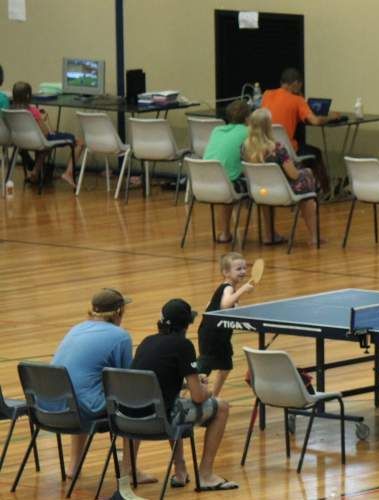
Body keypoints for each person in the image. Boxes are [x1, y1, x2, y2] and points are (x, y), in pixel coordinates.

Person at [130, 299, 238, 491]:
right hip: (160, 420)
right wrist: (208, 390)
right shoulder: (183, 345)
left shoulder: (147, 342)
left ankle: (180, 471)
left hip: (131, 419)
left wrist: (188, 382)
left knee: (174, 402)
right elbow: (198, 397)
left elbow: (159, 381)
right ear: (187, 324)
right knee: (221, 407)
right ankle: (205, 475)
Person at [51, 289, 153, 483]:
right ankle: (128, 470)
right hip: (82, 409)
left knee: (79, 393)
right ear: (118, 311)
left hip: (52, 405)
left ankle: (73, 466)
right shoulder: (120, 336)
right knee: (133, 403)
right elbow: (126, 381)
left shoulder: (76, 328)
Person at [243, 108, 322, 246]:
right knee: (307, 182)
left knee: (268, 189)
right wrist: (306, 171)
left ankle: (269, 234)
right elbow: (294, 174)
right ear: (268, 126)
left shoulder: (245, 148)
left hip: (259, 192)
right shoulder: (277, 148)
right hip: (282, 192)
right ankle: (314, 236)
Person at [261, 67, 339, 194]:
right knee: (316, 153)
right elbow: (316, 121)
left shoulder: (267, 94)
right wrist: (332, 117)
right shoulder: (297, 100)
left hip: (267, 148)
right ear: (296, 83)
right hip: (287, 150)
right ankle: (325, 191)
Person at [196, 252, 254, 396]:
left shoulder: (226, 288)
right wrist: (242, 290)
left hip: (221, 334)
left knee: (226, 366)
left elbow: (210, 305)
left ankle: (214, 396)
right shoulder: (227, 287)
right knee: (204, 368)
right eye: (238, 269)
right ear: (226, 272)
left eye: (244, 268)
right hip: (211, 335)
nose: (243, 272)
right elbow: (225, 305)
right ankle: (189, 393)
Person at [11, 81, 84, 187]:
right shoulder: (33, 111)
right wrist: (49, 129)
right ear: (28, 96)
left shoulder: (9, 110)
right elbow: (45, 134)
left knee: (45, 146)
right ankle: (68, 173)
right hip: (39, 141)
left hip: (20, 143)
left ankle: (35, 172)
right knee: (79, 142)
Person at [202, 100, 255, 243]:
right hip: (227, 185)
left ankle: (225, 233)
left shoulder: (217, 130)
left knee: (226, 180)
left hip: (202, 184)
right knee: (261, 184)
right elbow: (254, 159)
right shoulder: (248, 132)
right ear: (247, 119)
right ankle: (269, 234)